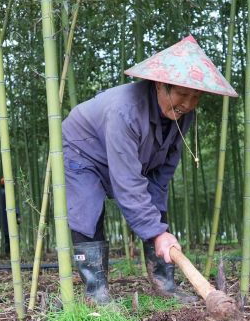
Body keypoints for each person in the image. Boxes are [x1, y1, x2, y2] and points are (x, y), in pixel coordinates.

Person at [62, 35, 237, 304]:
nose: (187, 104)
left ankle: (165, 285)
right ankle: (96, 294)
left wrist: (158, 228)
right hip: (83, 152)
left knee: (156, 208)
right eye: (181, 94)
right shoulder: (125, 112)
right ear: (159, 85)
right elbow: (127, 182)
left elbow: (163, 170)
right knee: (88, 212)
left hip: (130, 159)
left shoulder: (183, 114)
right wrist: (156, 233)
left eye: (195, 96)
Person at [0, 178, 19, 253]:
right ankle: (8, 252)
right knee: (8, 236)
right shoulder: (7, 193)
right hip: (6, 218)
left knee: (6, 234)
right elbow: (14, 206)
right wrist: (17, 216)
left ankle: (3, 251)